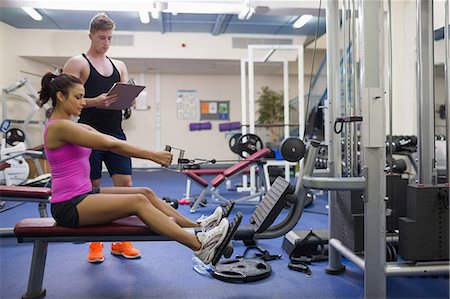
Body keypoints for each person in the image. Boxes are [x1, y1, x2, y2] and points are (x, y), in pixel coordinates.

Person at [38, 72, 229, 266]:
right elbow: (109, 145)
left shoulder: (75, 126)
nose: (83, 102)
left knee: (145, 192)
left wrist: (148, 151)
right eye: (78, 97)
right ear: (61, 96)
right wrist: (152, 155)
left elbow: (112, 140)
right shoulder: (59, 127)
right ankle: (200, 246)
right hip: (68, 205)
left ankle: (197, 226)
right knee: (137, 201)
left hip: (84, 194)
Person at [62, 13, 139, 262]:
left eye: (109, 38)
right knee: (93, 190)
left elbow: (122, 101)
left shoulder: (120, 66)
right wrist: (96, 101)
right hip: (88, 135)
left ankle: (121, 242)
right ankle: (95, 245)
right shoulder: (78, 63)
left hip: (116, 132)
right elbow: (65, 101)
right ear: (91, 36)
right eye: (101, 38)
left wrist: (130, 100)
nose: (106, 43)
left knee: (125, 187)